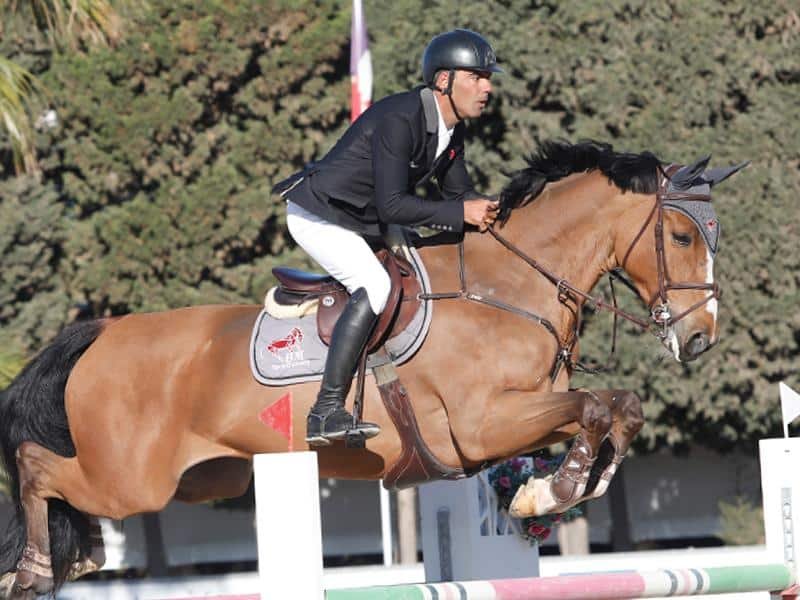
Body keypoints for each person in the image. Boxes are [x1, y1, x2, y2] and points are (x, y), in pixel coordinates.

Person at [273, 29, 502, 447]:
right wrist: (460, 212)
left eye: (488, 78)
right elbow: (395, 205)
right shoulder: (400, 120)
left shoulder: (452, 132)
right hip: (320, 215)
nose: (487, 87)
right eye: (476, 77)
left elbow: (459, 198)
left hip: (365, 219)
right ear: (443, 81)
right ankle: (325, 412)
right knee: (374, 286)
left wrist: (498, 211)